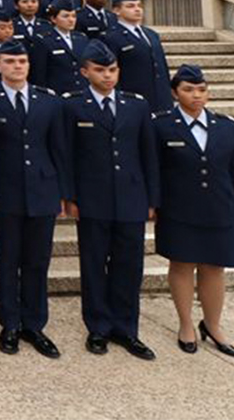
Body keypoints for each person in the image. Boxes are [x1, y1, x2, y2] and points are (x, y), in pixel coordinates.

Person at [63, 41, 160, 359]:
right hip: (92, 197)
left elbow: (149, 154)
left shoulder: (136, 105)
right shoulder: (74, 106)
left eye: (112, 70)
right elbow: (68, 155)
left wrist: (152, 197)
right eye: (100, 70)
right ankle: (98, 327)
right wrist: (70, 196)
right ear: (84, 71)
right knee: (93, 264)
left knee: (130, 265)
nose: (107, 76)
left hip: (131, 195)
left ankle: (126, 329)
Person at [152, 64, 234, 357]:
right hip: (178, 208)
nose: (196, 95)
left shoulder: (227, 126)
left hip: (220, 207)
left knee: (214, 267)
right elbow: (154, 169)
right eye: (188, 90)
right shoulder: (161, 125)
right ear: (174, 93)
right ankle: (185, 325)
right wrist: (154, 205)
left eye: (202, 90)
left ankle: (213, 324)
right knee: (182, 265)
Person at [0, 39, 66, 358]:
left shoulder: (48, 101)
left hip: (42, 192)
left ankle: (34, 323)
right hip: (7, 193)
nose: (17, 66)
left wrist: (62, 193)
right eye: (11, 61)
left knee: (37, 261)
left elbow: (59, 149)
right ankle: (11, 324)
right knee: (7, 261)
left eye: (22, 62)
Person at [104, 0, 172, 112]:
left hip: (161, 100)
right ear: (116, 10)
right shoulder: (112, 37)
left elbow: (162, 66)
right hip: (133, 100)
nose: (137, 9)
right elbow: (112, 72)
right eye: (130, 6)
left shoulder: (151, 35)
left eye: (139, 6)